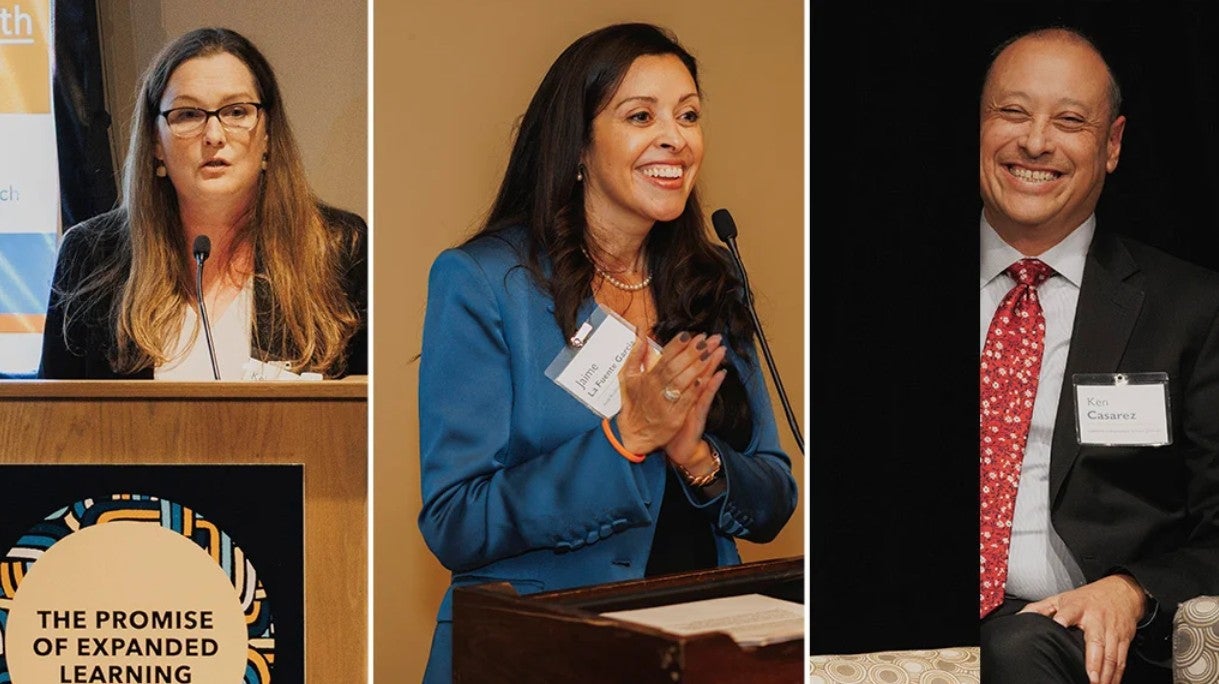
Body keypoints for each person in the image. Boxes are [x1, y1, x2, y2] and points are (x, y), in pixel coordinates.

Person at [416, 22, 798, 683]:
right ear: (580, 145)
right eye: (640, 115)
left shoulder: (710, 281)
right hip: (547, 650)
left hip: (705, 650)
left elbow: (771, 501)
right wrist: (626, 438)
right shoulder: (486, 282)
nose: (673, 137)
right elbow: (454, 521)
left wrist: (698, 458)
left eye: (688, 115)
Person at [978, 27, 1219, 684]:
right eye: (1012, 112)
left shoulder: (1189, 309)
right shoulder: (879, 292)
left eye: (1068, 121)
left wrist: (1133, 588)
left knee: (1012, 651)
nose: (1034, 142)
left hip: (1070, 633)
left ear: (1110, 145)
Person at [39, 27, 366, 380]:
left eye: (237, 112)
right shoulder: (92, 255)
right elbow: (52, 424)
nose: (213, 136)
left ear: (268, 133)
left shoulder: (337, 248)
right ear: (155, 143)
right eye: (188, 115)